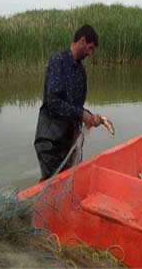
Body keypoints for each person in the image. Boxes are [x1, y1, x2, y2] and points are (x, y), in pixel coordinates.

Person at [34, 24, 102, 182]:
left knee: (67, 183)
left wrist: (89, 117)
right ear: (82, 40)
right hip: (50, 141)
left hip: (68, 141)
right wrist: (81, 114)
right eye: (90, 48)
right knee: (51, 185)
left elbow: (76, 107)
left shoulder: (81, 72)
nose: (90, 53)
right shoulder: (58, 62)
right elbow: (53, 102)